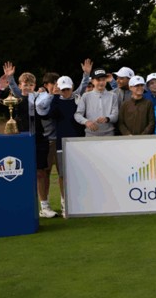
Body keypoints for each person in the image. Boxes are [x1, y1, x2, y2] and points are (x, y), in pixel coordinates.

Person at [2, 62, 57, 218]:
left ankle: (44, 207)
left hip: (40, 139)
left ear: (35, 86)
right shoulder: (17, 98)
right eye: (25, 84)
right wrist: (10, 77)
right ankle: (23, 205)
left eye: (31, 84)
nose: (27, 87)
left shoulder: (38, 97)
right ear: (20, 85)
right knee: (21, 173)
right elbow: (15, 90)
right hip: (21, 140)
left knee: (42, 173)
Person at [48, 65, 91, 218]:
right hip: (61, 142)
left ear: (71, 87)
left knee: (79, 173)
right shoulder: (55, 101)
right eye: (63, 89)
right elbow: (51, 114)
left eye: (67, 89)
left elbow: (83, 86)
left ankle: (81, 203)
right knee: (62, 175)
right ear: (58, 88)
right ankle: (64, 202)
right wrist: (54, 96)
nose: (65, 92)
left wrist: (86, 74)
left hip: (77, 142)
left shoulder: (78, 99)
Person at [74, 68, 119, 136]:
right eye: (98, 80)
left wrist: (107, 119)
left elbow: (115, 116)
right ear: (92, 81)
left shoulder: (113, 96)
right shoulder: (86, 96)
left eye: (103, 80)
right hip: (90, 134)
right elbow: (77, 115)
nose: (101, 82)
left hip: (109, 134)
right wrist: (86, 122)